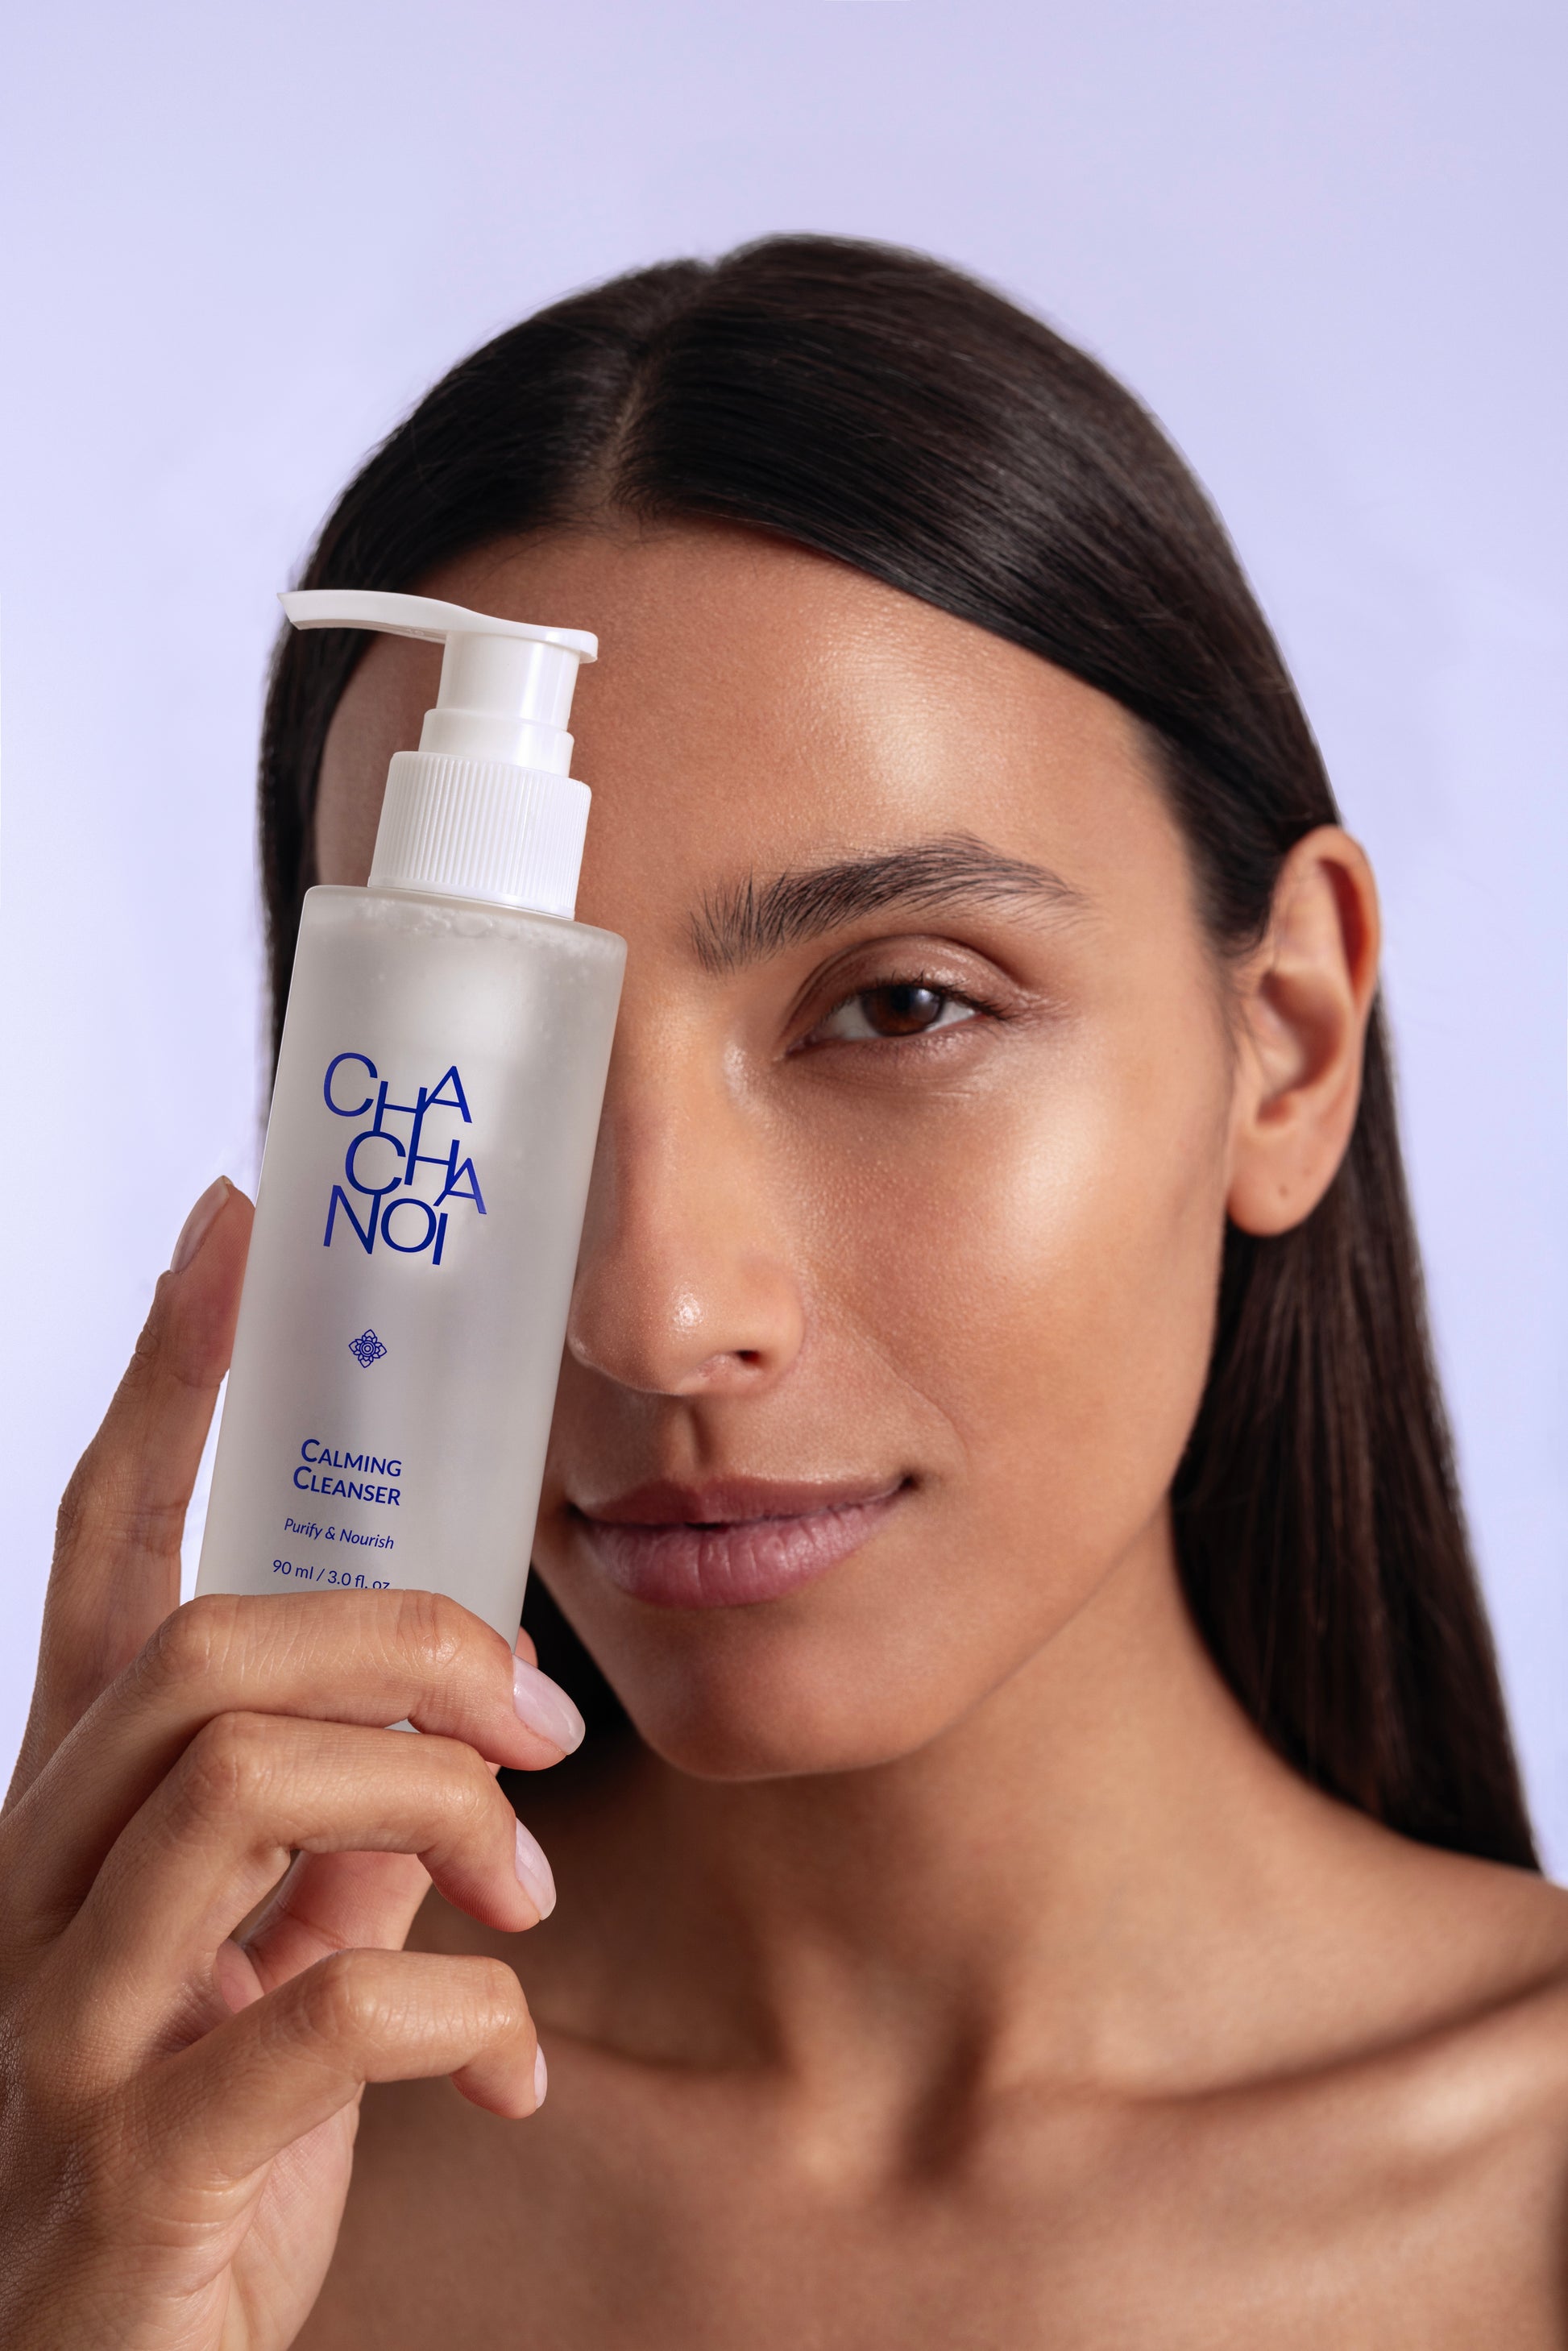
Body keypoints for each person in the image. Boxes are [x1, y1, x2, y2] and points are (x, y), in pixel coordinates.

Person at [4, 236, 1566, 2349]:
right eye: (490, 1079)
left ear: (1282, 1041)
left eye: (901, 1005)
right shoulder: (154, 2169)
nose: (650, 1315)